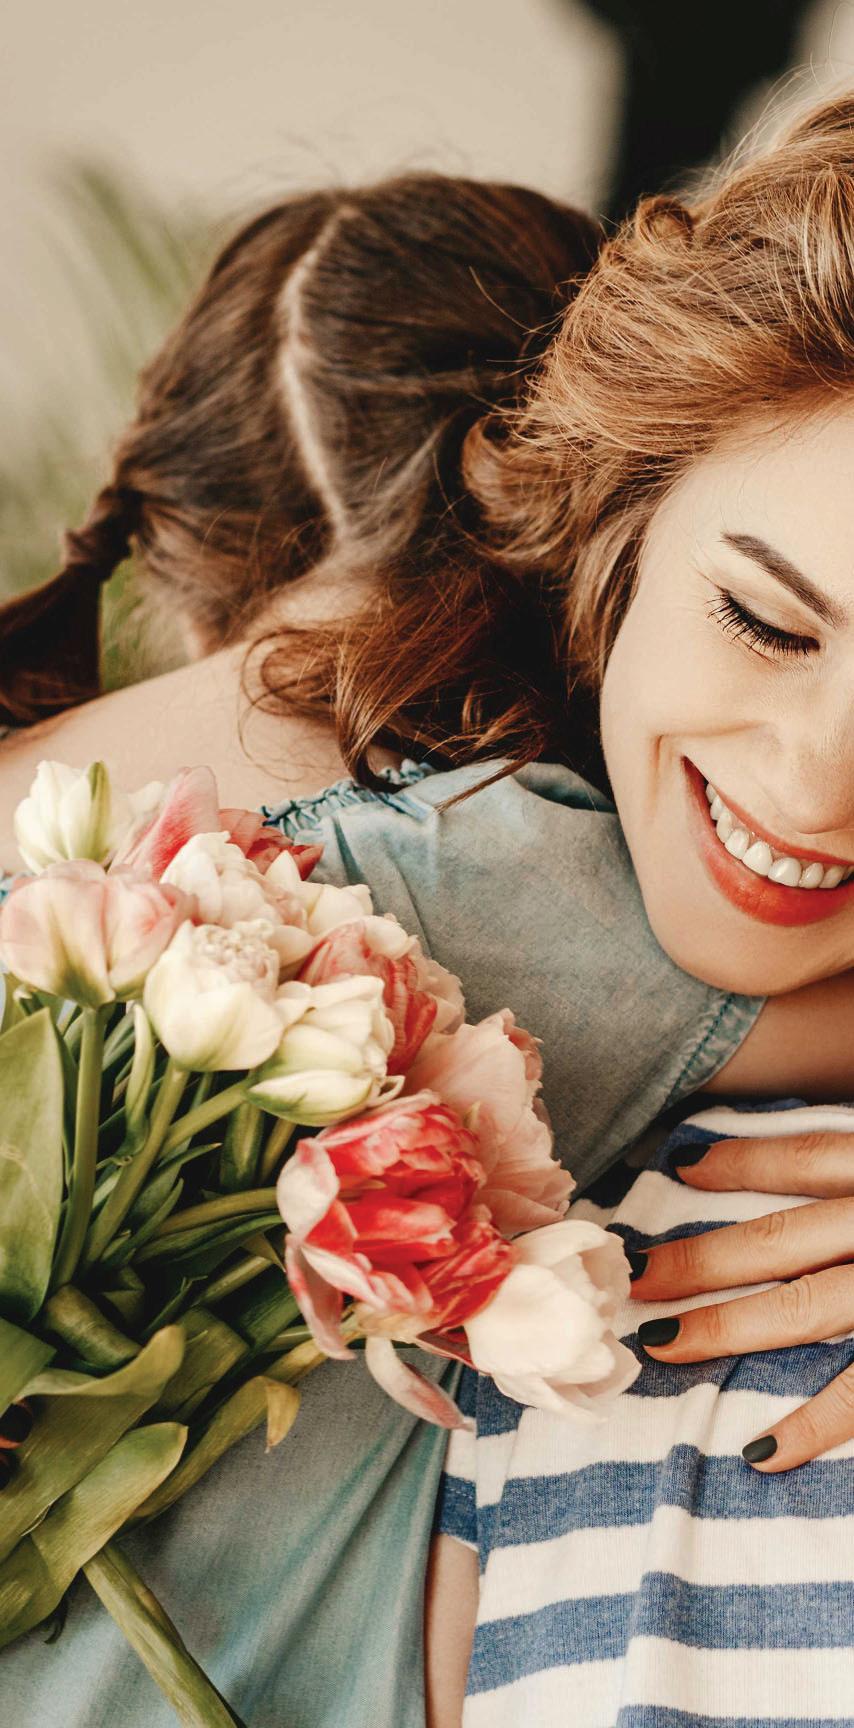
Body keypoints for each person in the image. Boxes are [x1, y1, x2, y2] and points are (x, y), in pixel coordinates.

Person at [2, 95, 854, 1726]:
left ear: (169, 556)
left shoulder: (92, 817)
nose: (813, 787)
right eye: (760, 620)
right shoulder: (467, 885)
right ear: (574, 511)